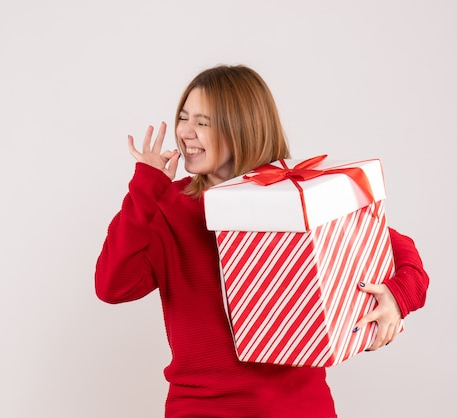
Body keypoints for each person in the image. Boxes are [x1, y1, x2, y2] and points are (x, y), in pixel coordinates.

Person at [95, 65, 429, 418]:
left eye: (203, 122)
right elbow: (113, 285)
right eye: (183, 117)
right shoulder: (168, 208)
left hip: (300, 408)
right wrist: (146, 187)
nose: (185, 132)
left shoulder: (294, 194)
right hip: (201, 409)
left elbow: (393, 247)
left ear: (241, 126)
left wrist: (397, 297)